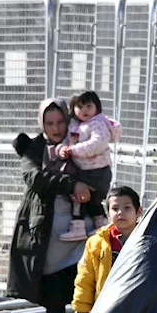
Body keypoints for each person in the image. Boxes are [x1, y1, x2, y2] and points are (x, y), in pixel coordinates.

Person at [7, 98, 95, 313]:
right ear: (42, 124)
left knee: (84, 286)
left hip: (83, 225)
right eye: (49, 123)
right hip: (47, 229)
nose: (56, 128)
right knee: (54, 291)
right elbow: (34, 178)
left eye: (60, 121)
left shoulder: (80, 142)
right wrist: (70, 184)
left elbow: (98, 172)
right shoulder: (33, 148)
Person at [71, 185, 142, 313]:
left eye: (127, 208)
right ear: (108, 214)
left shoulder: (147, 242)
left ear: (139, 211)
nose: (120, 212)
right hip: (104, 309)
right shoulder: (96, 243)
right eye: (115, 208)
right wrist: (82, 311)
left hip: (137, 312)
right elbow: (85, 279)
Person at [58, 91, 122, 241]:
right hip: (83, 170)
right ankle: (89, 226)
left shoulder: (98, 123)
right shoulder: (74, 125)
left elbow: (97, 144)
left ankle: (91, 226)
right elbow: (67, 141)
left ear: (96, 107)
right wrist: (62, 149)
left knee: (84, 197)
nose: (84, 110)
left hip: (97, 171)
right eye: (80, 106)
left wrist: (73, 150)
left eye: (88, 106)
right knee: (84, 199)